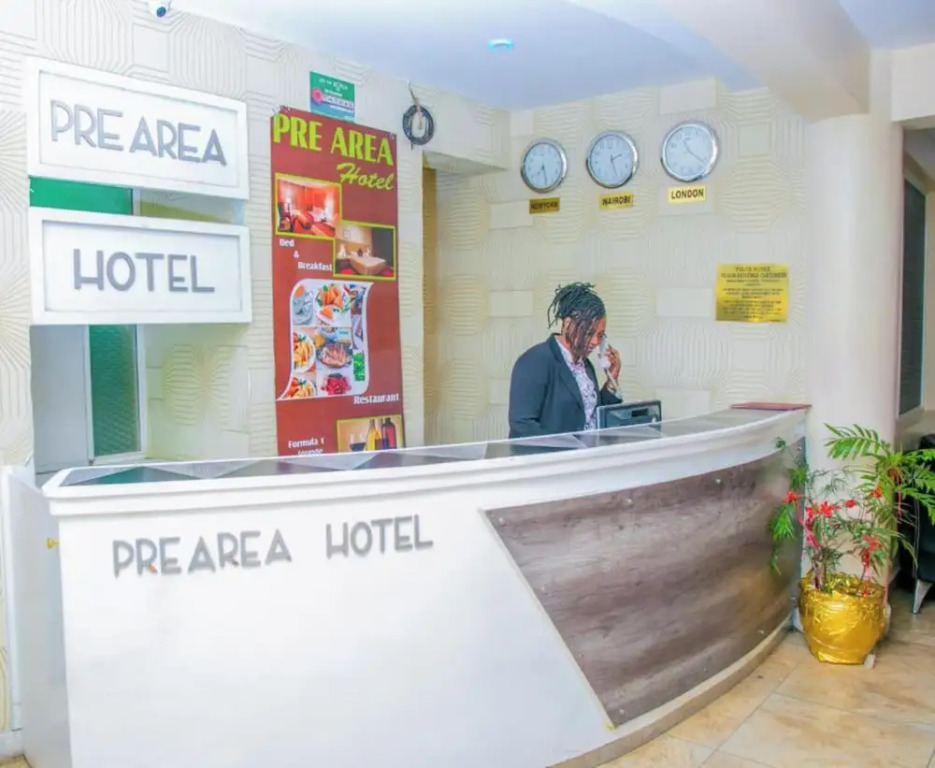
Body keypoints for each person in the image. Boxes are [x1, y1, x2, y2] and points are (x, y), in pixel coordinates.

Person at [508, 282, 621, 438]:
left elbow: (592, 417)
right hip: (558, 453)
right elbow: (522, 425)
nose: (595, 342)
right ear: (568, 325)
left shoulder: (586, 365)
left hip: (590, 452)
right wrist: (567, 448)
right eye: (589, 333)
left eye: (600, 335)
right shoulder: (535, 361)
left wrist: (611, 381)